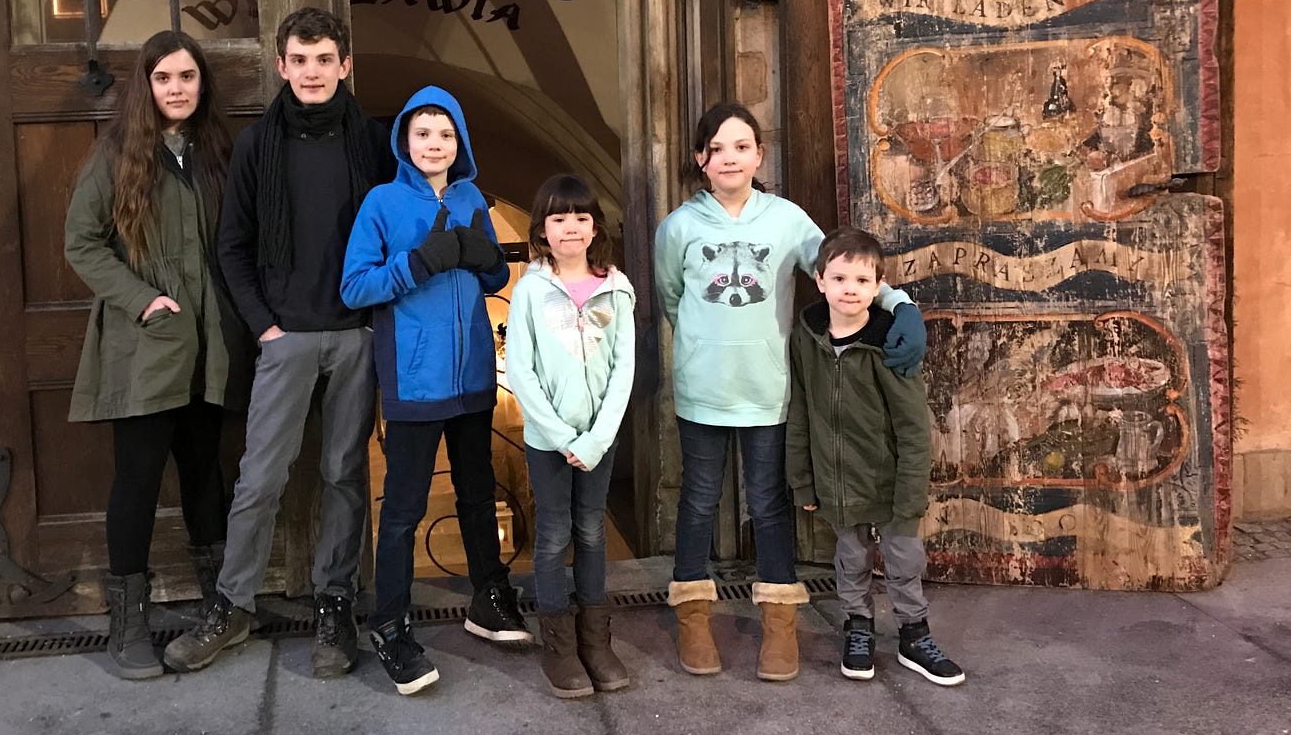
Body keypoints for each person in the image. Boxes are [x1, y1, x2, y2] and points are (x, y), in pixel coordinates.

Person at [652, 102, 926, 682]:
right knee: (698, 501)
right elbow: (672, 298)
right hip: (704, 389)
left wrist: (900, 305)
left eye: (742, 146)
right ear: (700, 158)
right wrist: (707, 346)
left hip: (769, 388)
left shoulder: (786, 220)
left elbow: (840, 267)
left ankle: (779, 623)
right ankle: (693, 618)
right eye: (717, 148)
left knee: (769, 502)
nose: (730, 158)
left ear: (759, 155)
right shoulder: (678, 227)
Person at [163, 7, 392, 678]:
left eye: (324, 60)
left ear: (345, 65)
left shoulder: (375, 143)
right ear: (281, 65)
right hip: (286, 336)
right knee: (260, 477)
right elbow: (232, 247)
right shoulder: (257, 145)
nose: (312, 72)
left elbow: (400, 229)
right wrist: (266, 325)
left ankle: (335, 604)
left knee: (344, 475)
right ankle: (232, 604)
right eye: (300, 60)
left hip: (356, 333)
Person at [63, 29, 252, 680]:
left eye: (187, 76)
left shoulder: (217, 152)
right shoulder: (115, 153)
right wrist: (142, 301)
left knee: (205, 474)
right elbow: (82, 243)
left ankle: (220, 608)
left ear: (202, 84)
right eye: (164, 77)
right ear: (146, 85)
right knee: (137, 482)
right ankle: (128, 625)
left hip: (209, 344)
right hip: (145, 347)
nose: (176, 88)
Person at [340, 85, 529, 695]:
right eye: (422, 133)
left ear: (460, 141)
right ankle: (391, 625)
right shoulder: (382, 202)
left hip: (472, 374)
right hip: (415, 377)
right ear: (404, 139)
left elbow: (492, 275)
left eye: (445, 134)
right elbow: (355, 287)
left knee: (478, 493)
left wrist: (486, 259)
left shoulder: (471, 197)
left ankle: (488, 598)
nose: (434, 144)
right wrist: (418, 262)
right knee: (402, 510)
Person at [788, 227, 965, 686]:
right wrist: (803, 481)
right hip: (837, 481)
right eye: (839, 278)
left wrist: (911, 494)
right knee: (851, 560)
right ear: (820, 281)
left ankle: (914, 635)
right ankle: (858, 627)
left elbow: (913, 427)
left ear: (879, 286)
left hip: (889, 483)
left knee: (904, 561)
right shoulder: (807, 336)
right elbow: (801, 411)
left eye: (863, 281)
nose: (850, 289)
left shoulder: (890, 342)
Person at [503, 174, 636, 699]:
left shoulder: (616, 289)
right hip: (549, 441)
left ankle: (595, 642)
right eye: (559, 218)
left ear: (595, 227)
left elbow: (624, 368)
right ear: (542, 229)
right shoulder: (530, 291)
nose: (571, 227)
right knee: (554, 535)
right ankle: (559, 647)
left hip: (599, 438)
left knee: (592, 532)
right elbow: (521, 369)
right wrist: (562, 437)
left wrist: (597, 438)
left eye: (581, 217)